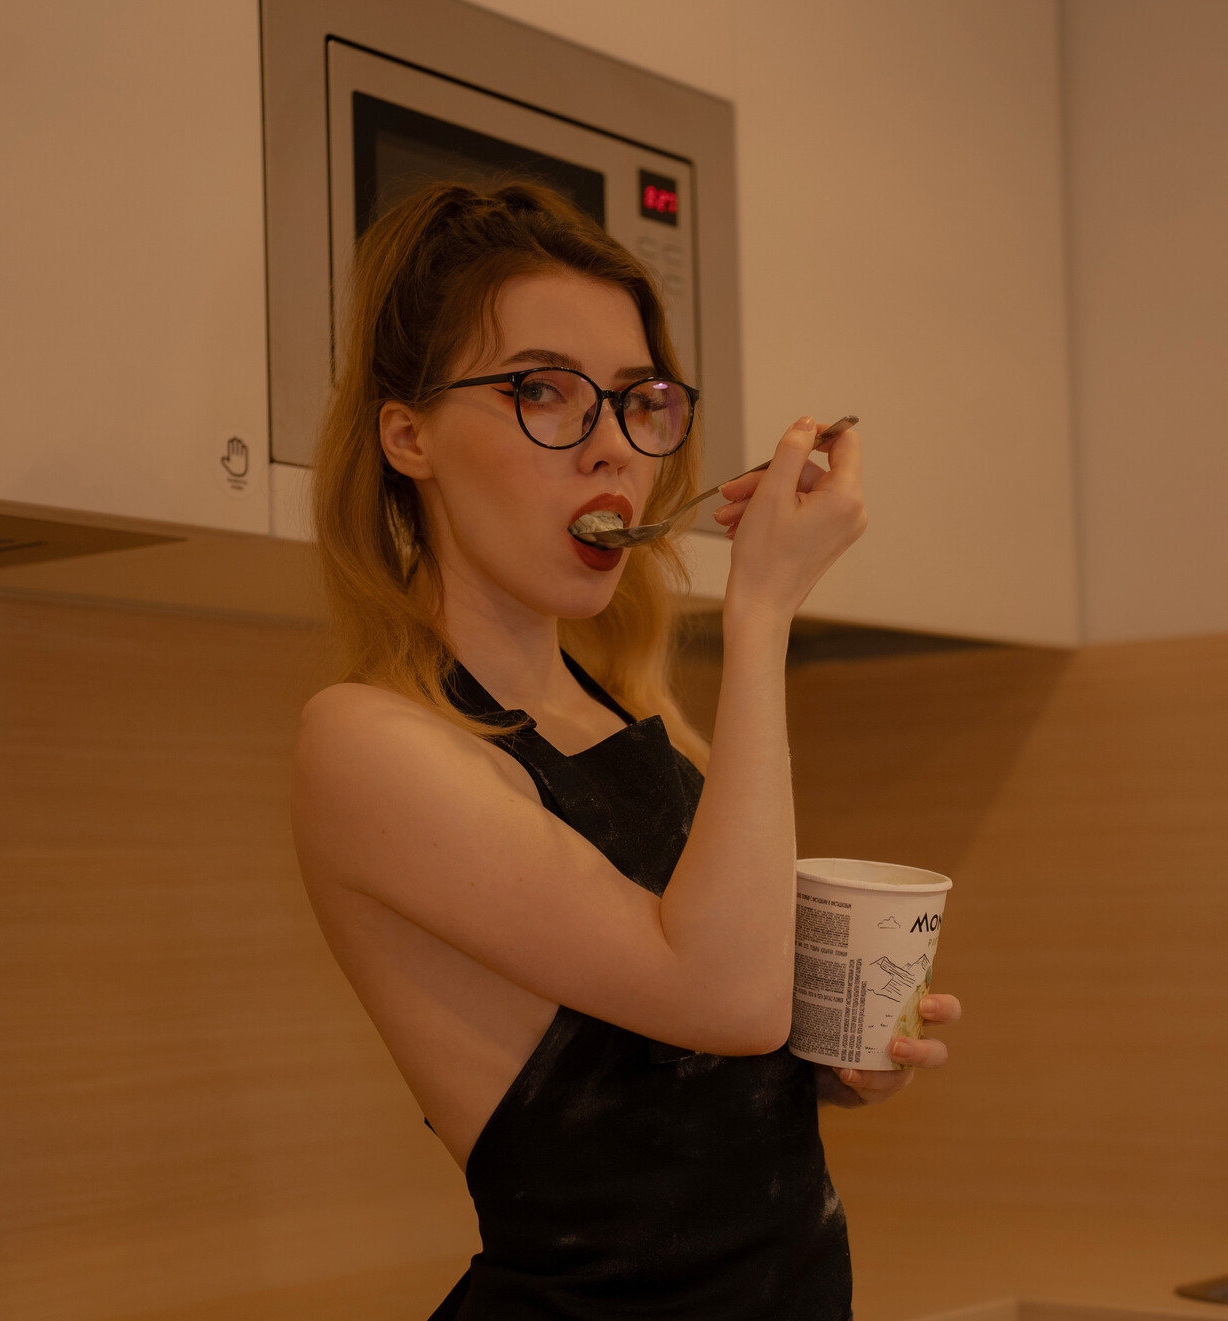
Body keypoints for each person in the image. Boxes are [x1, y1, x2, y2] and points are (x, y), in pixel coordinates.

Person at [290, 181, 962, 1320]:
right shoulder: (367, 741)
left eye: (637, 401)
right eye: (542, 391)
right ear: (409, 436)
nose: (610, 446)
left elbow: (709, 1050)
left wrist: (840, 1052)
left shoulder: (630, 719)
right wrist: (761, 612)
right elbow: (723, 996)